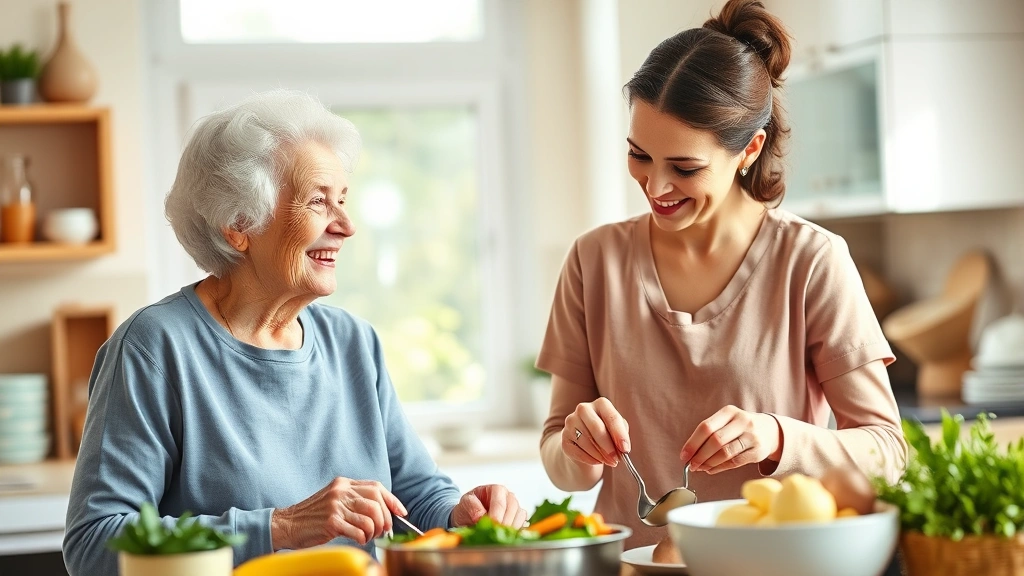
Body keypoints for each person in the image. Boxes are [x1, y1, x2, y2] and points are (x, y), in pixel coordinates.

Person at [63, 90, 527, 576]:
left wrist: (463, 514)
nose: (346, 225)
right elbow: (94, 543)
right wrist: (278, 527)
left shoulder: (354, 343)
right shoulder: (155, 348)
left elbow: (416, 498)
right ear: (239, 225)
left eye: (343, 200)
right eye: (318, 202)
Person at [537, 0, 907, 548]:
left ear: (749, 151)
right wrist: (574, 445)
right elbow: (561, 463)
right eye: (640, 156)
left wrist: (776, 437)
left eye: (685, 168)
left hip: (772, 563)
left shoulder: (811, 261)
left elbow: (888, 455)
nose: (656, 187)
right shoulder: (594, 261)